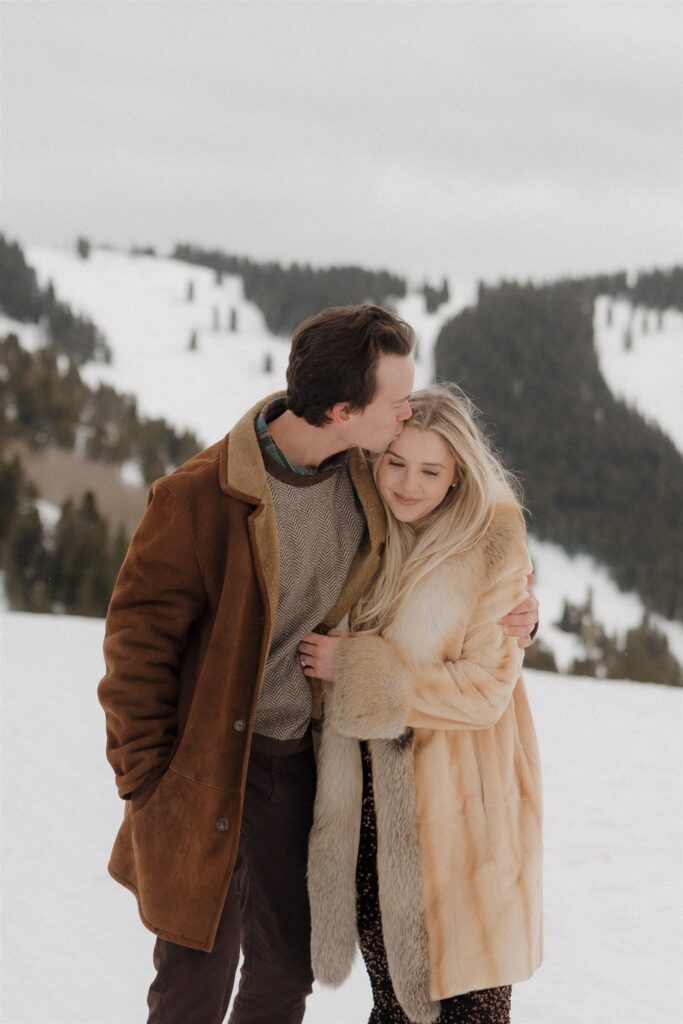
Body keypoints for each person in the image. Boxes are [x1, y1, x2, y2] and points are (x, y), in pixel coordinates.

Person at [98, 306, 539, 1024]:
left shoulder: (365, 477)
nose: (405, 415)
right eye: (394, 402)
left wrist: (522, 604)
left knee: (283, 976)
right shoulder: (197, 498)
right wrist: (145, 779)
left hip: (302, 766)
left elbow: (459, 524)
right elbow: (134, 653)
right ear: (342, 411)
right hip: (205, 768)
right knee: (193, 983)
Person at [301, 384, 543, 1024]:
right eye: (395, 462)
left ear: (458, 472)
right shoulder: (362, 531)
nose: (407, 484)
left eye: (430, 470)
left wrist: (357, 669)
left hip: (466, 817)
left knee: (474, 1009)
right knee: (399, 1008)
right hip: (380, 814)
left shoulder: (492, 545)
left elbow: (485, 690)